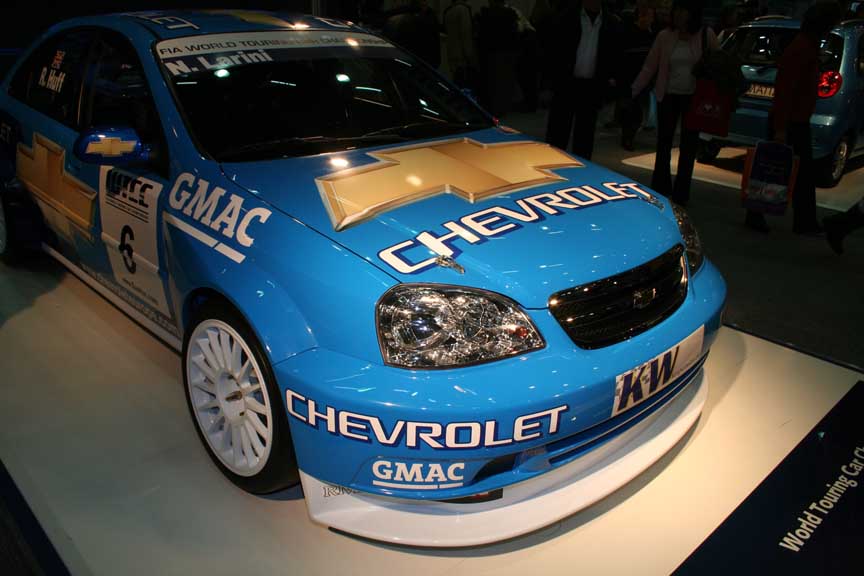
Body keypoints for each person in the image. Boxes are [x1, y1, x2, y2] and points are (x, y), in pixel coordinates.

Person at [744, 2, 843, 234]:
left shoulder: (804, 46)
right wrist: (781, 128)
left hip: (792, 119)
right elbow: (785, 90)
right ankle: (798, 220)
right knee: (789, 172)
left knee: (780, 170)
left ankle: (772, 215)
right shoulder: (803, 49)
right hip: (791, 121)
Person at [631, 0, 719, 206]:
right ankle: (660, 188)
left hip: (694, 99)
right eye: (676, 11)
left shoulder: (706, 35)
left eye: (683, 11)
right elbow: (650, 66)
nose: (679, 15)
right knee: (664, 144)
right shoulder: (665, 36)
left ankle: (681, 194)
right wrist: (634, 89)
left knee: (688, 147)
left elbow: (718, 64)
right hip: (668, 95)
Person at [542, 0, 620, 160]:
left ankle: (580, 170)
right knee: (558, 134)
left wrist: (607, 83)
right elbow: (552, 51)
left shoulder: (610, 22)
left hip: (592, 86)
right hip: (566, 83)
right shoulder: (567, 17)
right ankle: (552, 167)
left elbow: (612, 55)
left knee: (584, 137)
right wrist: (551, 81)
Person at [443, 0, 476, 89]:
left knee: (457, 85)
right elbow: (465, 34)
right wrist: (470, 56)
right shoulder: (463, 10)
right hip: (462, 57)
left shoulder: (449, 11)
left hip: (452, 54)